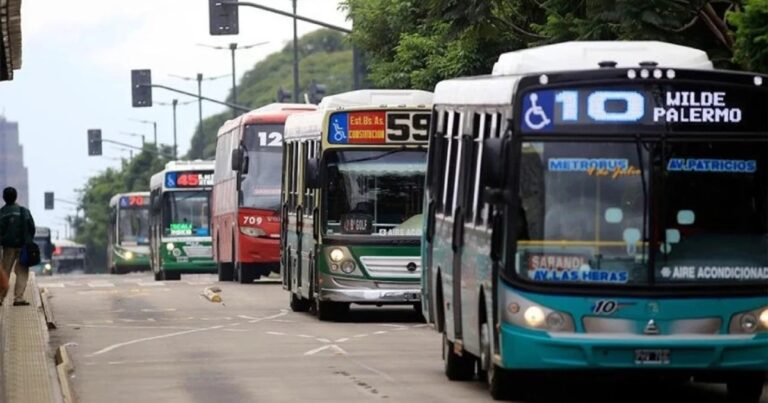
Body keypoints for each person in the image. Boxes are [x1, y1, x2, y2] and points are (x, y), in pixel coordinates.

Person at [0, 187, 36, 306]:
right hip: (23, 248)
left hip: (8, 248)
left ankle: (0, 297)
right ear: (16, 197)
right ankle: (19, 298)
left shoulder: (2, 212)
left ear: (4, 198)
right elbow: (32, 228)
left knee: (4, 271)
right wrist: (28, 240)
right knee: (22, 272)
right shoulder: (24, 211)